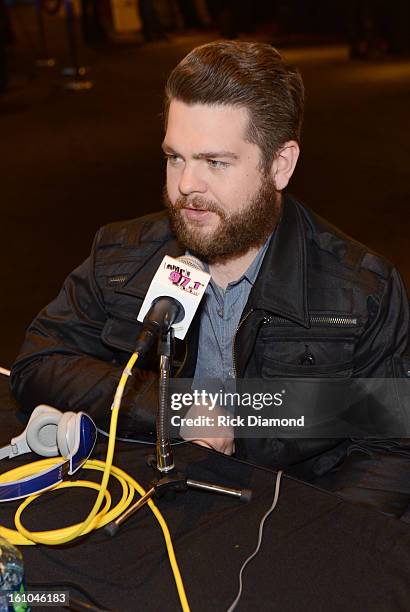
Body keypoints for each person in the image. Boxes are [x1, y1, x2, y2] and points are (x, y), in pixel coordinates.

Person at [10, 41, 410, 517]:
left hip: (286, 524)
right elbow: (40, 361)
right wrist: (174, 409)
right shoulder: (122, 257)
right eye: (175, 157)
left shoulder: (362, 293)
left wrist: (304, 538)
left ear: (280, 165)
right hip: (148, 511)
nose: (185, 186)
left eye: (215, 162)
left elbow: (391, 452)